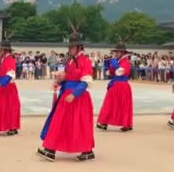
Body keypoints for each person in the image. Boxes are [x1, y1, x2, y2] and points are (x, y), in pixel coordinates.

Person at [37, 32, 95, 162]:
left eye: (71, 47)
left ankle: (86, 151)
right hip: (67, 95)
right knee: (60, 122)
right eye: (69, 47)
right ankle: (51, 149)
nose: (69, 49)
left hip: (77, 97)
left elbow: (86, 81)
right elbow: (69, 76)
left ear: (79, 47)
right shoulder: (70, 61)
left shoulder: (85, 61)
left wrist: (74, 94)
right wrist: (60, 80)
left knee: (79, 124)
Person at [97, 42, 133, 132]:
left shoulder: (126, 62)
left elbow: (121, 72)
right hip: (115, 85)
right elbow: (112, 73)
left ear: (122, 52)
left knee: (123, 105)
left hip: (122, 85)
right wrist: (108, 65)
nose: (116, 53)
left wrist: (115, 64)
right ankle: (104, 122)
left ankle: (126, 124)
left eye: (117, 52)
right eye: (115, 52)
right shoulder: (119, 61)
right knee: (109, 103)